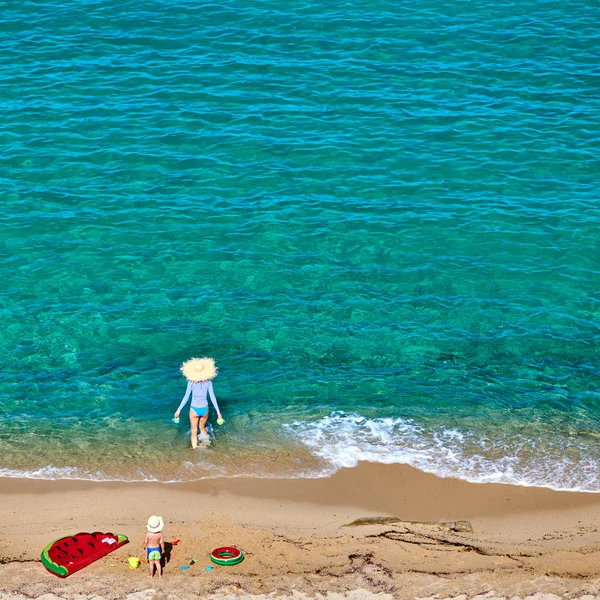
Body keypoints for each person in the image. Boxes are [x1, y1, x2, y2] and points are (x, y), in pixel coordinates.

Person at [174, 356, 223, 449]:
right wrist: (218, 413)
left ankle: (195, 449)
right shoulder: (208, 382)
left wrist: (178, 410)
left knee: (193, 431)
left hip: (194, 409)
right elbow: (212, 397)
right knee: (202, 428)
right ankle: (205, 445)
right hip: (204, 409)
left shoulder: (191, 383)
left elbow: (186, 397)